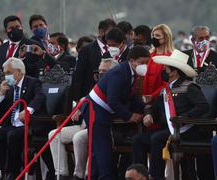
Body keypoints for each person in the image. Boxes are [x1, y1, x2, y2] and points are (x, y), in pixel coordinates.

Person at [135, 49, 209, 180]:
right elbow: (154, 107)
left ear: (174, 72)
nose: (163, 71)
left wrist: (183, 118)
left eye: (166, 69)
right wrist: (148, 114)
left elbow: (203, 106)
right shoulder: (165, 89)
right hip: (168, 129)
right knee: (138, 139)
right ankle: (139, 175)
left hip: (185, 130)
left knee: (156, 138)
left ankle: (156, 176)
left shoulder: (189, 87)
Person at [81, 46, 149, 179]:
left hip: (103, 110)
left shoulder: (131, 73)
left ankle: (93, 176)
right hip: (95, 109)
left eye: (147, 62)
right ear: (132, 61)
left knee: (97, 151)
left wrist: (145, 108)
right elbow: (113, 100)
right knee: (103, 150)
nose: (144, 66)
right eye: (141, 62)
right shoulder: (119, 72)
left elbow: (131, 95)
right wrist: (129, 116)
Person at [49, 58, 118, 180]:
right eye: (100, 71)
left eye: (104, 71)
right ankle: (61, 174)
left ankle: (80, 175)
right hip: (83, 124)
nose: (101, 74)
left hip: (98, 126)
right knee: (54, 134)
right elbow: (86, 99)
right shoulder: (97, 85)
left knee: (79, 138)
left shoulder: (114, 86)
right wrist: (80, 106)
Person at [0, 57, 46, 180]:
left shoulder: (33, 82)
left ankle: (14, 171)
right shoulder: (9, 87)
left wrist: (28, 110)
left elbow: (40, 97)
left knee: (13, 135)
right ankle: (2, 170)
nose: (6, 76)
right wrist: (1, 95)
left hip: (28, 124)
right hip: (12, 124)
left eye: (8, 73)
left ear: (18, 71)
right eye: (5, 73)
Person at [72, 18, 116, 102]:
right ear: (101, 32)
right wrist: (77, 100)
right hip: (90, 96)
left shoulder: (115, 49)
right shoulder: (87, 50)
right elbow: (78, 76)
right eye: (110, 32)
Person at [142, 24, 174, 100]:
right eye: (153, 35)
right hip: (145, 96)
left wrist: (153, 96)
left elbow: (169, 82)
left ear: (166, 38)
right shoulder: (149, 55)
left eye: (157, 35)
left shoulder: (171, 57)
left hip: (161, 97)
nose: (154, 38)